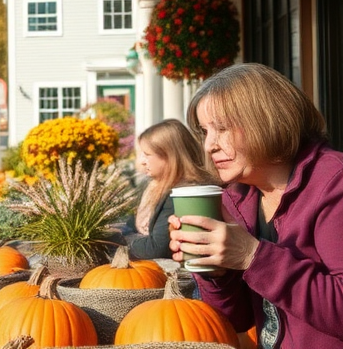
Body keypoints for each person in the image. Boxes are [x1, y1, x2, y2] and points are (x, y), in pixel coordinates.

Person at [168, 63, 343, 348]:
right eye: (205, 132)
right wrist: (216, 270)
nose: (208, 146)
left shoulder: (333, 183)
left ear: (266, 120)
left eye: (221, 129)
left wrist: (251, 255)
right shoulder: (237, 197)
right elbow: (237, 321)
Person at [125, 119, 218, 260]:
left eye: (147, 155)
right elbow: (131, 225)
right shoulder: (152, 186)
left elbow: (155, 248)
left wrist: (120, 242)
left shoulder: (183, 194)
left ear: (169, 157)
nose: (143, 161)